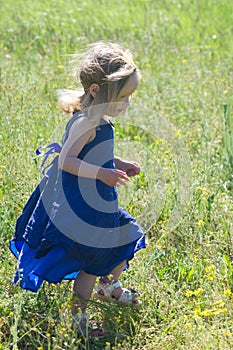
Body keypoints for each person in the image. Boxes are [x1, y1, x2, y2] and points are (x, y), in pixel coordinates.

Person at [10, 42, 146, 337]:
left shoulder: (99, 120)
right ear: (96, 89)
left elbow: (91, 154)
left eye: (129, 97)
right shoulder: (85, 122)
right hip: (80, 204)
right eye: (122, 97)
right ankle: (79, 321)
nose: (127, 104)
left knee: (128, 234)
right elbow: (67, 161)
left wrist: (118, 162)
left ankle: (107, 287)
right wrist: (102, 173)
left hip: (98, 199)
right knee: (89, 259)